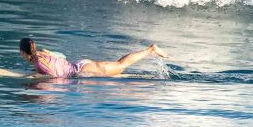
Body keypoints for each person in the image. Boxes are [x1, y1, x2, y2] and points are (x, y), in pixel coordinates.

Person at [19, 38, 169, 78]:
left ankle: (151, 50)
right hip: (80, 65)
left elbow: (55, 76)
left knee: (121, 65)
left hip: (83, 71)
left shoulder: (39, 64)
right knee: (118, 65)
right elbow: (62, 57)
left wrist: (37, 76)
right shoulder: (43, 53)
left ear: (24, 53)